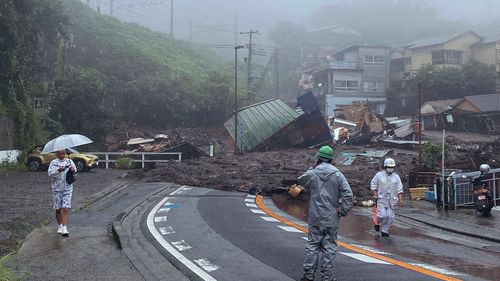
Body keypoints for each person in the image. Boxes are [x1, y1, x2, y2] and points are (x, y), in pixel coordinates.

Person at [298, 146, 353, 281]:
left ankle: (308, 276)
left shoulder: (313, 173)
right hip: (331, 218)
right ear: (331, 159)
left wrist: (312, 168)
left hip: (315, 217)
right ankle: (327, 278)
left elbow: (301, 180)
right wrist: (342, 210)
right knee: (329, 248)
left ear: (318, 158)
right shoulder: (338, 175)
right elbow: (348, 195)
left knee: (312, 246)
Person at [370, 158, 403, 237]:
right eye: (389, 167)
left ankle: (384, 230)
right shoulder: (379, 175)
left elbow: (399, 188)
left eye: (392, 167)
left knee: (390, 216)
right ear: (385, 166)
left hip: (392, 200)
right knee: (382, 215)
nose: (390, 168)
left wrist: (400, 199)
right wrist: (375, 193)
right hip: (381, 199)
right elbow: (373, 184)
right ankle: (377, 222)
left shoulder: (396, 177)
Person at [48, 149, 77, 237]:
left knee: (66, 208)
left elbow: (75, 173)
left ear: (65, 153)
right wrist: (58, 170)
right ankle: (60, 225)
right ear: (56, 154)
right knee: (58, 209)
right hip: (57, 189)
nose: (61, 155)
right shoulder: (53, 163)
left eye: (63, 153)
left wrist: (72, 170)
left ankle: (65, 228)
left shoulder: (69, 161)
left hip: (68, 188)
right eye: (59, 154)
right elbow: (50, 174)